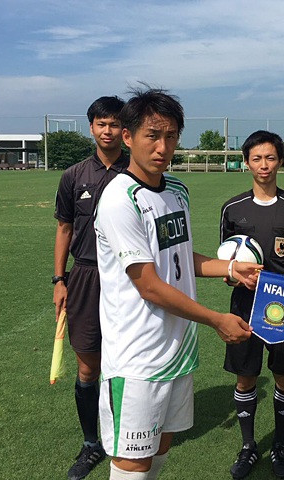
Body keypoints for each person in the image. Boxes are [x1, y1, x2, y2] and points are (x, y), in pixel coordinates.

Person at [94, 87, 260, 480]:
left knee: (161, 447)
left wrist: (230, 269)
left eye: (171, 136)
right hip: (136, 358)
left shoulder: (176, 191)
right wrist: (216, 319)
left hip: (177, 351)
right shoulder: (120, 199)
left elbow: (181, 259)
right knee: (131, 460)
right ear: (128, 137)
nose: (162, 146)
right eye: (152, 135)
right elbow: (149, 284)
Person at [220, 130, 284, 479]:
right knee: (245, 378)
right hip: (245, 304)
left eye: (271, 158)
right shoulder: (232, 208)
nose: (264, 165)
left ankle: (278, 443)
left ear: (280, 161)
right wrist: (234, 277)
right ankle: (248, 446)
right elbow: (226, 262)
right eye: (257, 158)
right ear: (246, 162)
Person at [53, 96, 128, 480]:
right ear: (92, 128)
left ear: (124, 129)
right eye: (101, 124)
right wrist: (59, 279)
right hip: (84, 276)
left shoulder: (138, 173)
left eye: (114, 124)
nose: (108, 131)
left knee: (130, 360)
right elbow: (64, 227)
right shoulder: (74, 176)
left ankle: (129, 437)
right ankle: (90, 444)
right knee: (88, 366)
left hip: (131, 278)